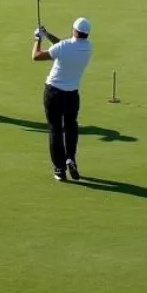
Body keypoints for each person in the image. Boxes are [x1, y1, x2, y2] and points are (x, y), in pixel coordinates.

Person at [32, 16, 93, 181]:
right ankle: (70, 158)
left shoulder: (65, 47)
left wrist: (38, 38)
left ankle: (59, 169)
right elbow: (61, 46)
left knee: (55, 130)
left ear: (74, 30)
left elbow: (36, 56)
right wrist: (47, 34)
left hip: (54, 93)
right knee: (71, 127)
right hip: (72, 95)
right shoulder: (88, 47)